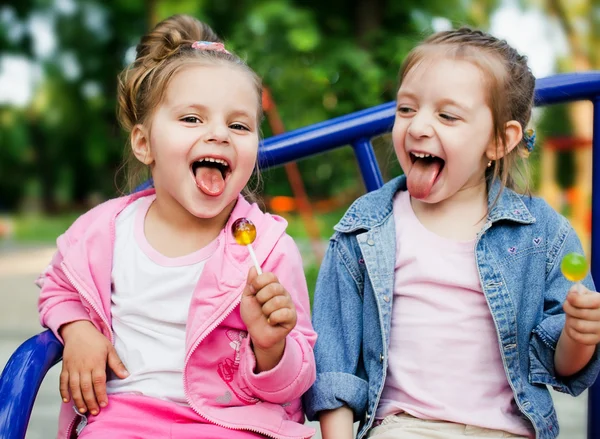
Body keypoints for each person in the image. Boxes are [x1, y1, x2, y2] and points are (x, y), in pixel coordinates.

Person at [303, 27, 600, 439]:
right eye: (406, 109)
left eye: (447, 115)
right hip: (405, 427)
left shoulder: (542, 233)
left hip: (509, 430)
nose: (418, 126)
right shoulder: (366, 226)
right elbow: (335, 360)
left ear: (499, 140)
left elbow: (560, 364)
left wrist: (579, 334)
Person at [36, 14, 316, 439]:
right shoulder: (103, 232)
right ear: (144, 143)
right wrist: (77, 329)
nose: (219, 134)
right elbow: (56, 288)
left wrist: (271, 346)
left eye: (238, 125)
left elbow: (293, 388)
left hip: (234, 425)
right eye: (192, 119)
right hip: (122, 421)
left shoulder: (270, 249)